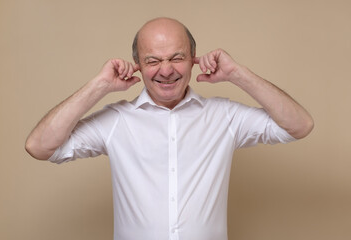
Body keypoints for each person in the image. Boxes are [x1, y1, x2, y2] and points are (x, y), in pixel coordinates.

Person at [25, 17, 313, 240]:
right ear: (138, 64)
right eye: (153, 60)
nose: (166, 70)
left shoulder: (224, 116)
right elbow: (39, 146)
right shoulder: (116, 120)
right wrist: (100, 85)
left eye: (176, 57)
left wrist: (238, 74)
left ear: (193, 58)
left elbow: (300, 125)